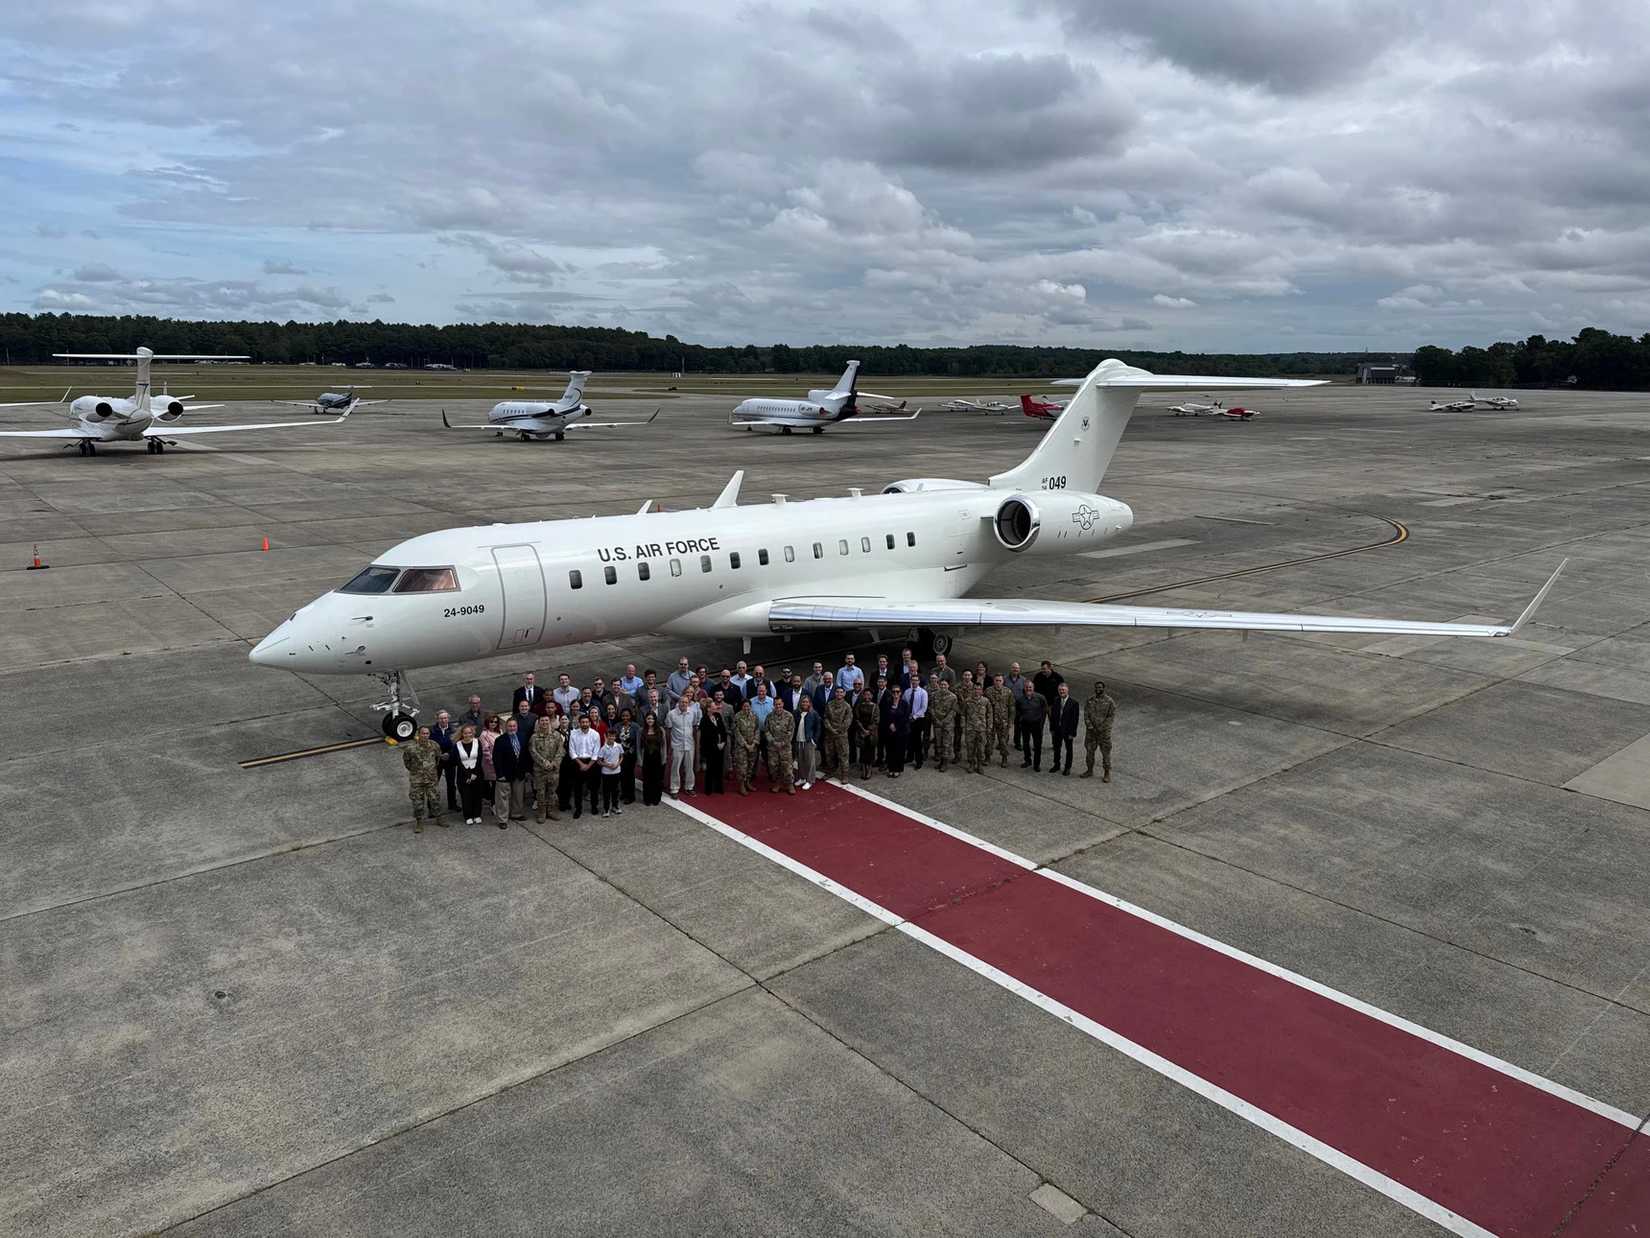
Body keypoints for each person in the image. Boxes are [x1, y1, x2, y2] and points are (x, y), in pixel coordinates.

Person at [402, 725, 444, 832]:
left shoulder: (434, 745)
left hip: (431, 779)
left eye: (427, 733)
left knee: (435, 799)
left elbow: (438, 759)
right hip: (417, 780)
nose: (425, 735)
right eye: (423, 733)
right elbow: (407, 762)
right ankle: (419, 822)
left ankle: (439, 818)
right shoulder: (410, 748)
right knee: (417, 802)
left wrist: (431, 770)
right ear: (418, 734)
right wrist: (416, 771)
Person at [492, 716, 531, 824]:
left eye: (514, 726)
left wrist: (526, 770)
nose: (512, 728)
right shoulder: (500, 740)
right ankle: (502, 820)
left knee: (518, 796)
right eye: (510, 726)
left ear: (517, 727)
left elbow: (526, 755)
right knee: (502, 798)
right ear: (506, 727)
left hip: (519, 773)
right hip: (505, 773)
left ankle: (516, 814)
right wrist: (500, 774)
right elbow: (496, 759)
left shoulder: (522, 736)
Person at [530, 713, 566, 822]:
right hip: (540, 770)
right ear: (539, 723)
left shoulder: (557, 735)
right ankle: (542, 813)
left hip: (554, 770)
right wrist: (544, 762)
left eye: (546, 720)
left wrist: (554, 763)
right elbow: (533, 752)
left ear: (549, 722)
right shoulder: (534, 737)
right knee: (540, 793)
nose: (544, 722)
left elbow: (561, 751)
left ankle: (551, 811)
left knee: (552, 792)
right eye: (542, 721)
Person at [567, 713, 601, 817]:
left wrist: (589, 765)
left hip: (592, 763)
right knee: (577, 788)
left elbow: (596, 752)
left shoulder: (595, 734)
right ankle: (578, 809)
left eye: (586, 722)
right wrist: (581, 764)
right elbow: (572, 751)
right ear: (579, 723)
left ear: (590, 723)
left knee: (594, 788)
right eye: (582, 722)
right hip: (578, 762)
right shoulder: (573, 734)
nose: (585, 724)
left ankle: (594, 807)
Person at [1082, 681, 1117, 781]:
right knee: (1089, 752)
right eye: (1096, 687)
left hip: (1103, 733)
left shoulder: (1109, 701)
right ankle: (1089, 770)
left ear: (1103, 688)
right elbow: (1086, 714)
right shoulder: (1090, 700)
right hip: (1091, 732)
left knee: (1105, 753)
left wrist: (1102, 728)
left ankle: (1107, 773)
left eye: (1100, 687)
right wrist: (1090, 726)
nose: (1098, 689)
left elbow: (1111, 717)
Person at [451, 724, 484, 824]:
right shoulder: (457, 745)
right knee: (466, 796)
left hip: (477, 773)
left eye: (469, 733)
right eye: (465, 733)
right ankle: (468, 816)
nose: (467, 735)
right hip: (463, 775)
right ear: (462, 734)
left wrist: (474, 774)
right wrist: (468, 775)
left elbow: (479, 758)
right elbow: (457, 761)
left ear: (472, 733)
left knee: (477, 795)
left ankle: (477, 815)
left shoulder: (477, 742)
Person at [666, 693, 698, 796]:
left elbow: (694, 727)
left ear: (688, 703)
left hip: (689, 744)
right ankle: (674, 788)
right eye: (682, 702)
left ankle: (689, 787)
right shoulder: (671, 714)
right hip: (677, 745)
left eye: (686, 702)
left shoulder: (693, 713)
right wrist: (669, 745)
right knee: (675, 767)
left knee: (689, 767)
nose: (684, 704)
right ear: (678, 703)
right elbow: (668, 729)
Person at [764, 697, 796, 794]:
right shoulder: (769, 716)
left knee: (787, 767)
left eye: (779, 704)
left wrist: (783, 743)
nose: (778, 706)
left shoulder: (789, 716)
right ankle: (777, 783)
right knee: (774, 766)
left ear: (783, 704)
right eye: (776, 704)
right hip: (773, 747)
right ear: (773, 705)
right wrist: (773, 742)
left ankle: (790, 784)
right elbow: (767, 731)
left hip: (785, 747)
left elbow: (791, 731)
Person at [429, 710, 458, 811]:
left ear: (448, 718)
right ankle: (432, 807)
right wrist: (439, 754)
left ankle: (452, 804)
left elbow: (456, 745)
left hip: (450, 761)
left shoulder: (454, 730)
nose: (443, 720)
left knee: (451, 784)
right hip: (436, 761)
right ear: (437, 719)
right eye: (441, 718)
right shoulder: (432, 731)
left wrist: (449, 754)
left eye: (445, 718)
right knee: (433, 784)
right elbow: (429, 746)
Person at [985, 673, 1015, 769]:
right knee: (989, 740)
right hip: (991, 720)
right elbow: (984, 705)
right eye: (996, 680)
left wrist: (1011, 721)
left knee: (1003, 741)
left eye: (1000, 681)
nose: (998, 682)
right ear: (993, 681)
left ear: (1003, 681)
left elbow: (1012, 707)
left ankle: (1004, 758)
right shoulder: (988, 691)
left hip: (1003, 721)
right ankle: (987, 757)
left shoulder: (1008, 692)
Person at [1033, 660, 1065, 750]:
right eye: (1042, 669)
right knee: (1038, 726)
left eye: (1045, 669)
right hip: (1041, 706)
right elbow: (1034, 691)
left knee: (1054, 726)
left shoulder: (1058, 677)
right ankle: (1037, 745)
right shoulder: (1038, 676)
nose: (1043, 671)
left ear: (1050, 668)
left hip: (1053, 706)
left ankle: (1056, 744)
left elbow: (1063, 691)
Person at [1050, 682, 1080, 776]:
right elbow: (1053, 716)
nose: (1061, 691)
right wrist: (1052, 729)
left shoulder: (1074, 703)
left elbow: (1075, 719)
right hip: (1057, 729)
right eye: (1060, 690)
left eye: (1063, 690)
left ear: (1067, 690)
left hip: (1068, 731)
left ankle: (1067, 767)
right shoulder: (1056, 700)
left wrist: (1072, 733)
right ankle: (1056, 765)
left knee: (1069, 750)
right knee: (1056, 748)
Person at [928, 673, 957, 772]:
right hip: (937, 723)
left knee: (946, 744)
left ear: (948, 685)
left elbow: (953, 711)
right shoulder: (934, 695)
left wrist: (944, 721)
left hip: (947, 724)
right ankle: (940, 761)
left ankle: (945, 763)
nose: (943, 686)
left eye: (945, 685)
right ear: (939, 685)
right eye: (941, 684)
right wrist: (936, 719)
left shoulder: (953, 697)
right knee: (938, 743)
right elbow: (931, 708)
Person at [881, 684, 911, 778]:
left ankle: (898, 769)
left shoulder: (904, 704)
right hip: (889, 731)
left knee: (899, 751)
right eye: (894, 692)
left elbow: (906, 717)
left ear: (900, 693)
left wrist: (896, 726)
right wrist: (890, 724)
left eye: (897, 692)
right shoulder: (888, 702)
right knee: (890, 750)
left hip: (901, 731)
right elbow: (884, 715)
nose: (895, 693)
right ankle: (891, 768)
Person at [822, 686, 852, 781]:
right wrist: (831, 729)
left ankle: (845, 775)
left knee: (843, 755)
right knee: (829, 754)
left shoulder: (847, 706)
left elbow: (848, 720)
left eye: (841, 692)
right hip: (830, 734)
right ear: (835, 693)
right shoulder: (829, 704)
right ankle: (830, 771)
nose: (839, 694)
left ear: (844, 694)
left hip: (841, 735)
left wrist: (839, 730)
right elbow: (826, 718)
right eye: (837, 692)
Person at [701, 694, 728, 793]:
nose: (715, 707)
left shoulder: (718, 716)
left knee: (719, 768)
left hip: (721, 746)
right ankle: (709, 788)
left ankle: (719, 787)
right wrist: (716, 745)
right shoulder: (704, 720)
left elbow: (723, 730)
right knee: (710, 768)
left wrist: (723, 742)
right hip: (710, 748)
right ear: (708, 708)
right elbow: (706, 737)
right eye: (713, 706)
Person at [962, 684, 992, 774]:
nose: (976, 691)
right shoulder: (967, 701)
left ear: (981, 691)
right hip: (970, 728)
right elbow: (963, 714)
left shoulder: (985, 701)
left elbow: (989, 715)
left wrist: (989, 726)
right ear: (972, 690)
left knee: (981, 748)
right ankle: (971, 764)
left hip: (982, 729)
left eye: (979, 689)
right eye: (975, 689)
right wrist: (963, 725)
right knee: (970, 748)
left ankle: (980, 765)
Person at [732, 699, 759, 795]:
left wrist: (754, 743)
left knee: (750, 765)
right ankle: (741, 785)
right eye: (744, 706)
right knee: (742, 767)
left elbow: (757, 730)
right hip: (742, 746)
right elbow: (736, 732)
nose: (746, 708)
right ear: (741, 707)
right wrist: (745, 744)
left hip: (752, 746)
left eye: (748, 706)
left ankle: (748, 782)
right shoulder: (737, 716)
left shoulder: (754, 716)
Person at [479, 713, 503, 823]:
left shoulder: (500, 731)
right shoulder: (484, 735)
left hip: (501, 762)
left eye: (496, 722)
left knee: (499, 785)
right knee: (493, 785)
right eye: (491, 722)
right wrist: (494, 762)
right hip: (490, 764)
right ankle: (493, 805)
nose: (493, 724)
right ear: (487, 723)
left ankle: (497, 803)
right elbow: (486, 751)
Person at [794, 694, 821, 789]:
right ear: (800, 703)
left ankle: (810, 780)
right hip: (799, 740)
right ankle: (802, 778)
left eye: (807, 702)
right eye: (803, 702)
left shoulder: (814, 714)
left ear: (810, 703)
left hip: (809, 741)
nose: (805, 703)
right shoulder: (796, 713)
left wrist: (814, 740)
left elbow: (818, 728)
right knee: (800, 761)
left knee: (810, 762)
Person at [852, 685, 879, 778]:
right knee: (862, 751)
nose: (867, 696)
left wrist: (869, 731)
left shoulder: (875, 706)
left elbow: (876, 720)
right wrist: (863, 730)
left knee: (870, 751)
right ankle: (863, 769)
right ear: (863, 695)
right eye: (865, 694)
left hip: (871, 732)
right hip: (861, 731)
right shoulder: (859, 705)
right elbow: (856, 718)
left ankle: (869, 770)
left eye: (869, 694)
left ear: (872, 696)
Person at [1018, 684, 1047, 771]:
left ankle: (1036, 764)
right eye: (1027, 687)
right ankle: (1027, 761)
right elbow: (1018, 711)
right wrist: (1021, 721)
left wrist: (1041, 723)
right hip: (1025, 724)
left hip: (1037, 725)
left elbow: (1044, 710)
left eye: (1030, 687)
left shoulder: (1040, 698)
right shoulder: (1020, 699)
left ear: (1033, 688)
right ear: (1024, 688)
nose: (1028, 689)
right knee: (1025, 744)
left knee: (1037, 745)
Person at [640, 713, 666, 805]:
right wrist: (640, 760)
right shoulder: (641, 730)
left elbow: (664, 745)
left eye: (652, 718)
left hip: (657, 757)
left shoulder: (661, 730)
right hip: (646, 757)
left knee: (657, 779)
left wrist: (664, 758)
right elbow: (639, 746)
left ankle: (656, 798)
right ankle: (647, 799)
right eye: (648, 718)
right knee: (647, 779)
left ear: (655, 720)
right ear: (645, 720)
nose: (650, 720)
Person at [616, 708, 640, 803]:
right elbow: (615, 739)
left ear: (630, 716)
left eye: (627, 715)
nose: (625, 717)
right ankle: (624, 793)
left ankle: (630, 796)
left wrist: (630, 751)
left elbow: (637, 741)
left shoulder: (635, 726)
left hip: (631, 754)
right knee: (622, 775)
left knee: (629, 775)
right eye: (623, 716)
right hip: (620, 754)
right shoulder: (617, 726)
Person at [905, 671, 929, 769]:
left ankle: (919, 761)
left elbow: (924, 708)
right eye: (913, 680)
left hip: (918, 720)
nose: (914, 682)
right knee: (909, 739)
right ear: (911, 681)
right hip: (908, 719)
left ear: (919, 682)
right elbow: (904, 704)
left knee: (917, 741)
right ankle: (909, 757)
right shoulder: (907, 692)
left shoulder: (923, 692)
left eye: (916, 680)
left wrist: (914, 716)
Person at [599, 731, 625, 816]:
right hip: (606, 773)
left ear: (615, 737)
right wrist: (606, 765)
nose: (611, 738)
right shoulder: (603, 748)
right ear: (606, 737)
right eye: (609, 736)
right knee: (606, 791)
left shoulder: (619, 746)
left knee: (616, 790)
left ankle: (615, 807)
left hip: (616, 772)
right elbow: (599, 761)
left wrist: (617, 764)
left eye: (613, 736)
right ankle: (606, 809)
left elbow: (622, 756)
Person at [1005, 662, 1029, 746]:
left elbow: (1026, 693)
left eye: (1017, 668)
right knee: (1006, 724)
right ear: (1011, 669)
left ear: (1019, 669)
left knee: (1018, 726)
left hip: (1019, 707)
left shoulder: (1023, 680)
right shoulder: (1005, 679)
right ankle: (1004, 741)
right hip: (1007, 706)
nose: (1015, 669)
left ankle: (1017, 742)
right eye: (1014, 668)